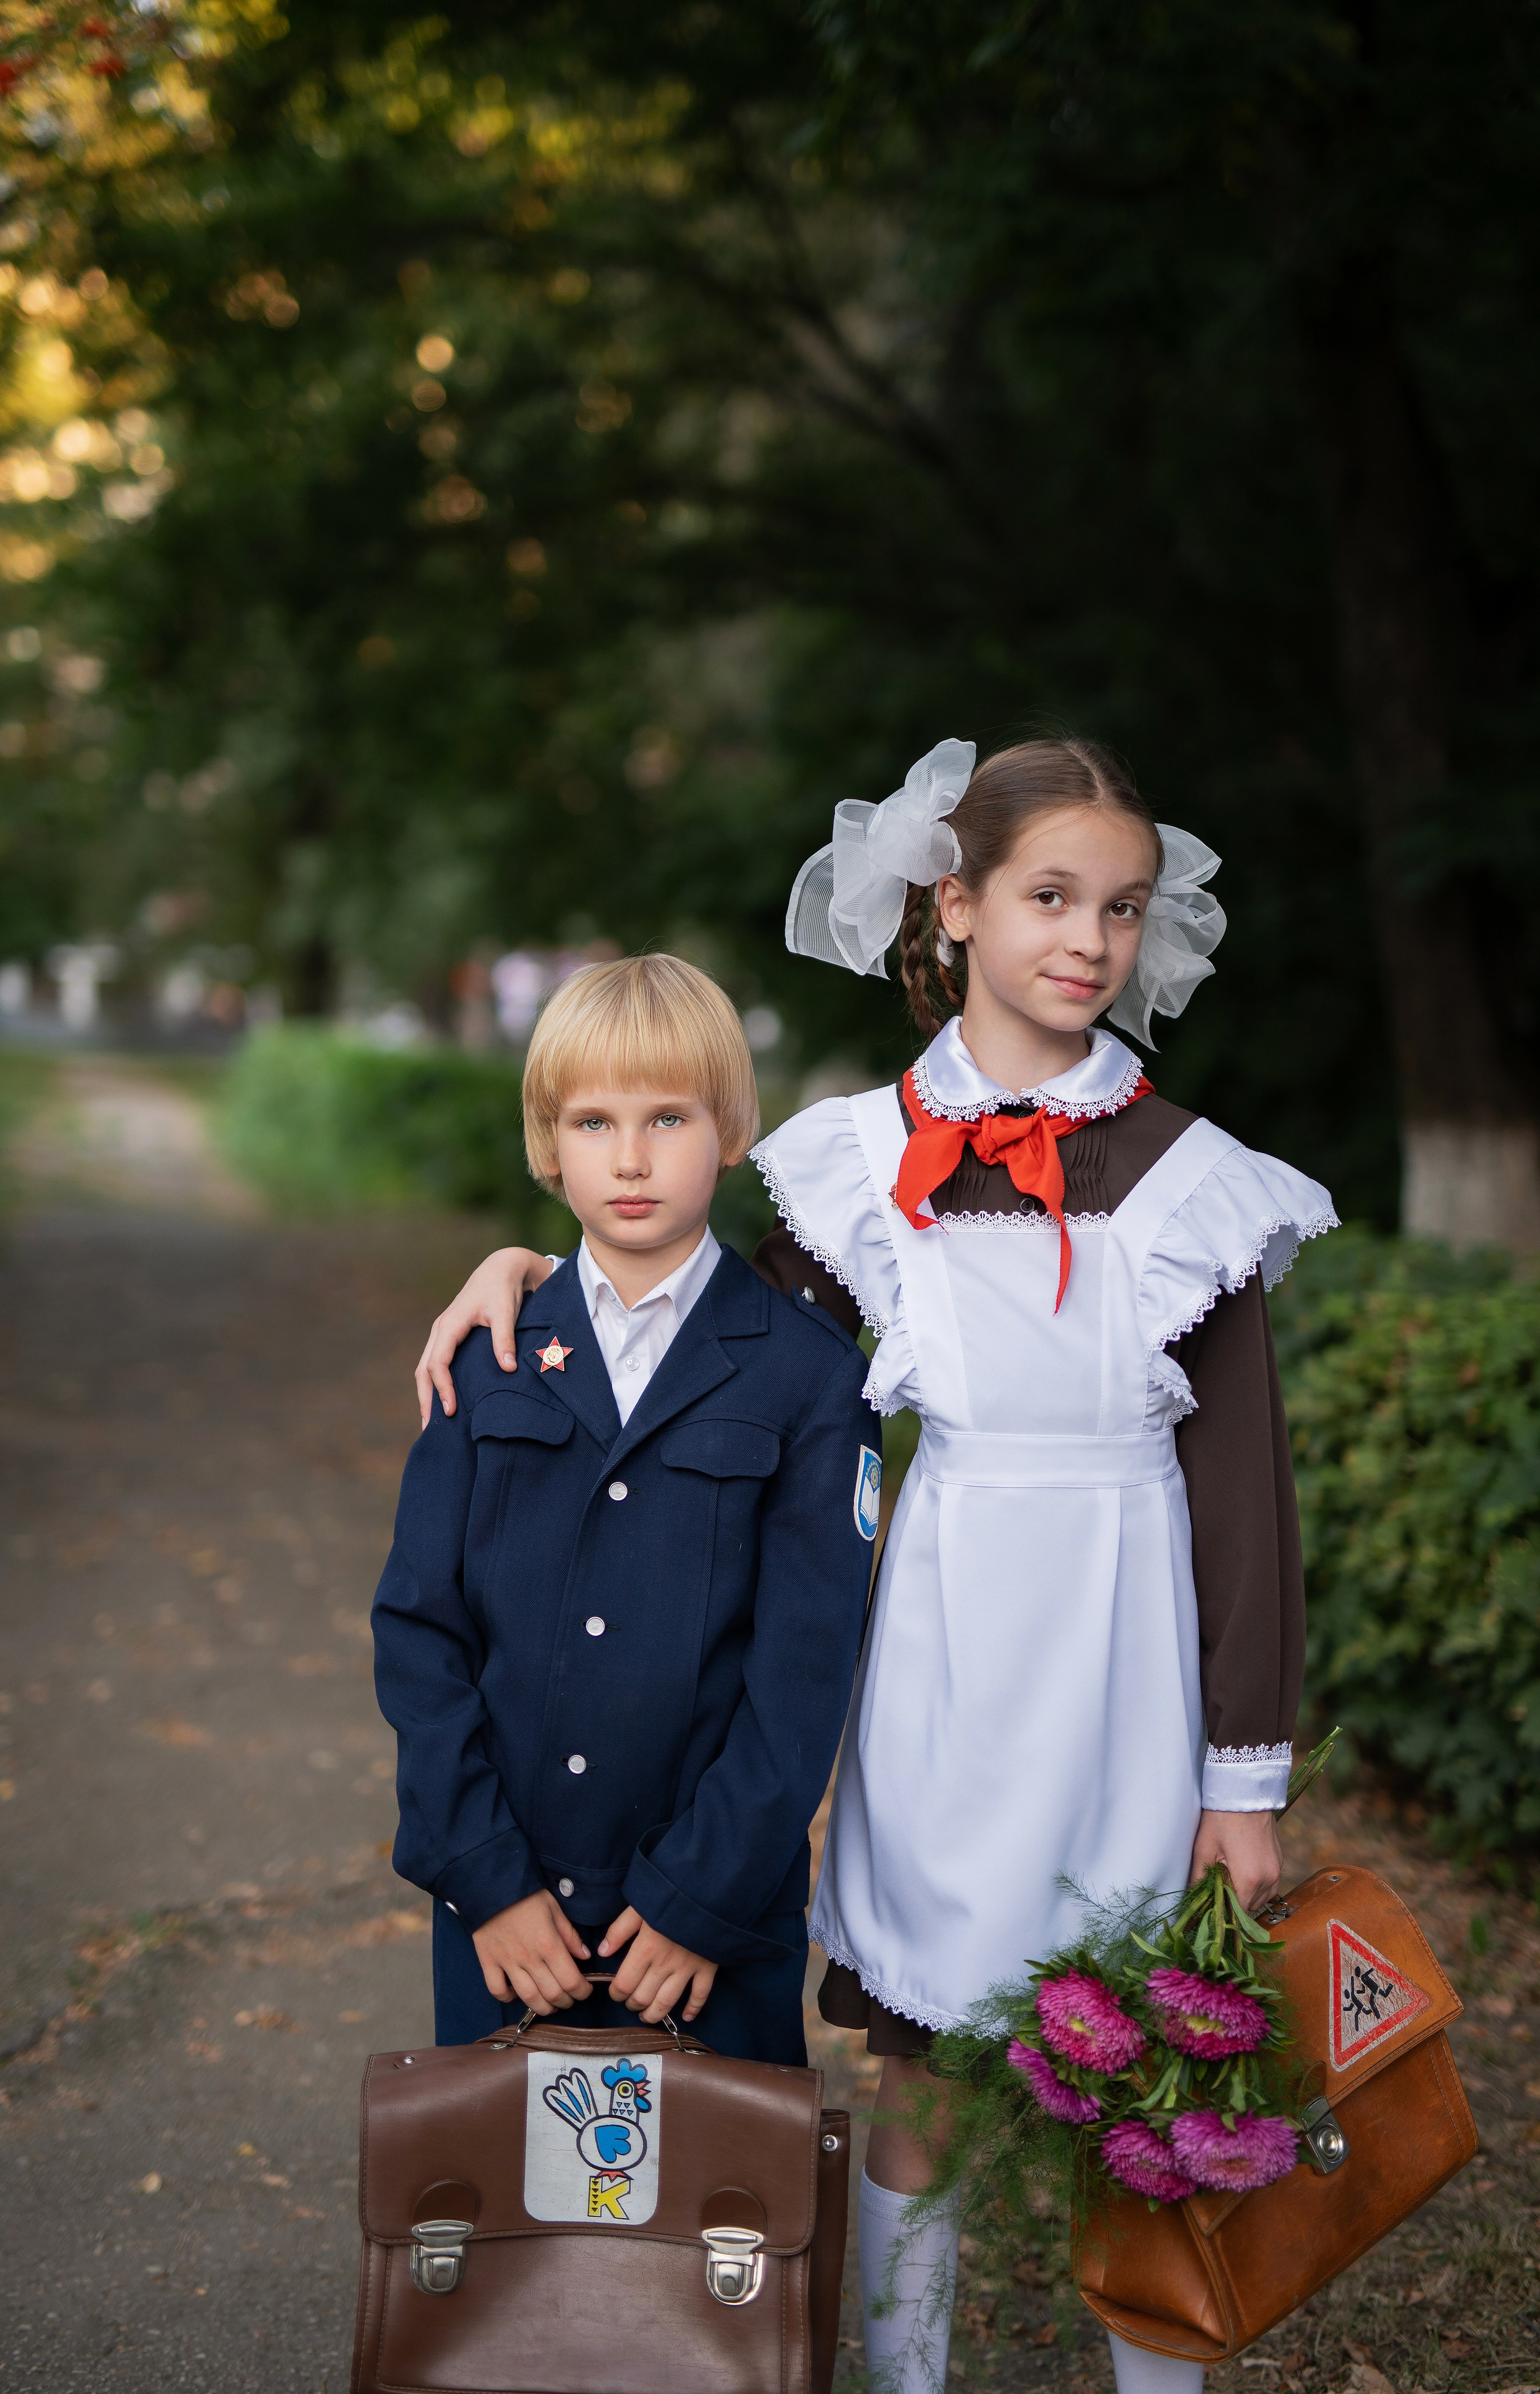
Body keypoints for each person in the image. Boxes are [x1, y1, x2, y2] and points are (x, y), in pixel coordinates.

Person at [412, 740, 1336, 2394]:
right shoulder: (858, 1166)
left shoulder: (1195, 1180)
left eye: (1121, 908)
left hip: (1132, 1661)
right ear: (956, 905)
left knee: (1146, 2064)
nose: (1090, 938)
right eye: (1051, 897)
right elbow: (705, 1324)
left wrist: (1243, 1776)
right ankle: (907, 2379)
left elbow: (1242, 1497)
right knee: (923, 2059)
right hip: (948, 1664)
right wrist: (524, 1267)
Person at [373, 953, 879, 2066]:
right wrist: (484, 1881)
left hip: (708, 1928)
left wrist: (707, 1895)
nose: (633, 1158)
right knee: (506, 2220)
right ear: (550, 1147)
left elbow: (805, 1670)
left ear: (733, 1129)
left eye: (669, 1118)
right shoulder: (490, 1355)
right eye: (595, 1123)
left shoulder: (808, 1379)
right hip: (509, 1915)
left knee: (719, 2228)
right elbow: (419, 1631)